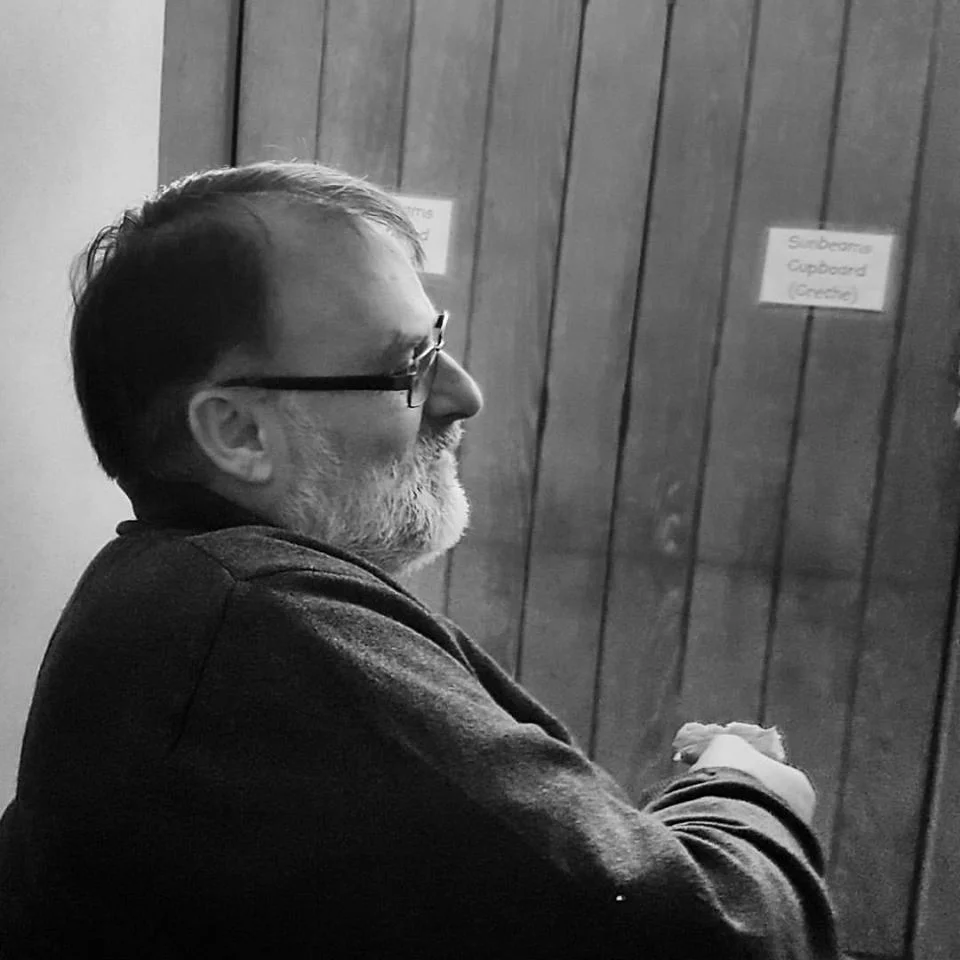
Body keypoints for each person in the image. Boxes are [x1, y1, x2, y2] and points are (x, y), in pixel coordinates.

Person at [0, 161, 839, 959]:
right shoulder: (259, 625)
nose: (464, 394)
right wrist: (749, 789)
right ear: (239, 431)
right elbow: (716, 938)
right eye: (410, 364)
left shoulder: (180, 598)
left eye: (436, 342)